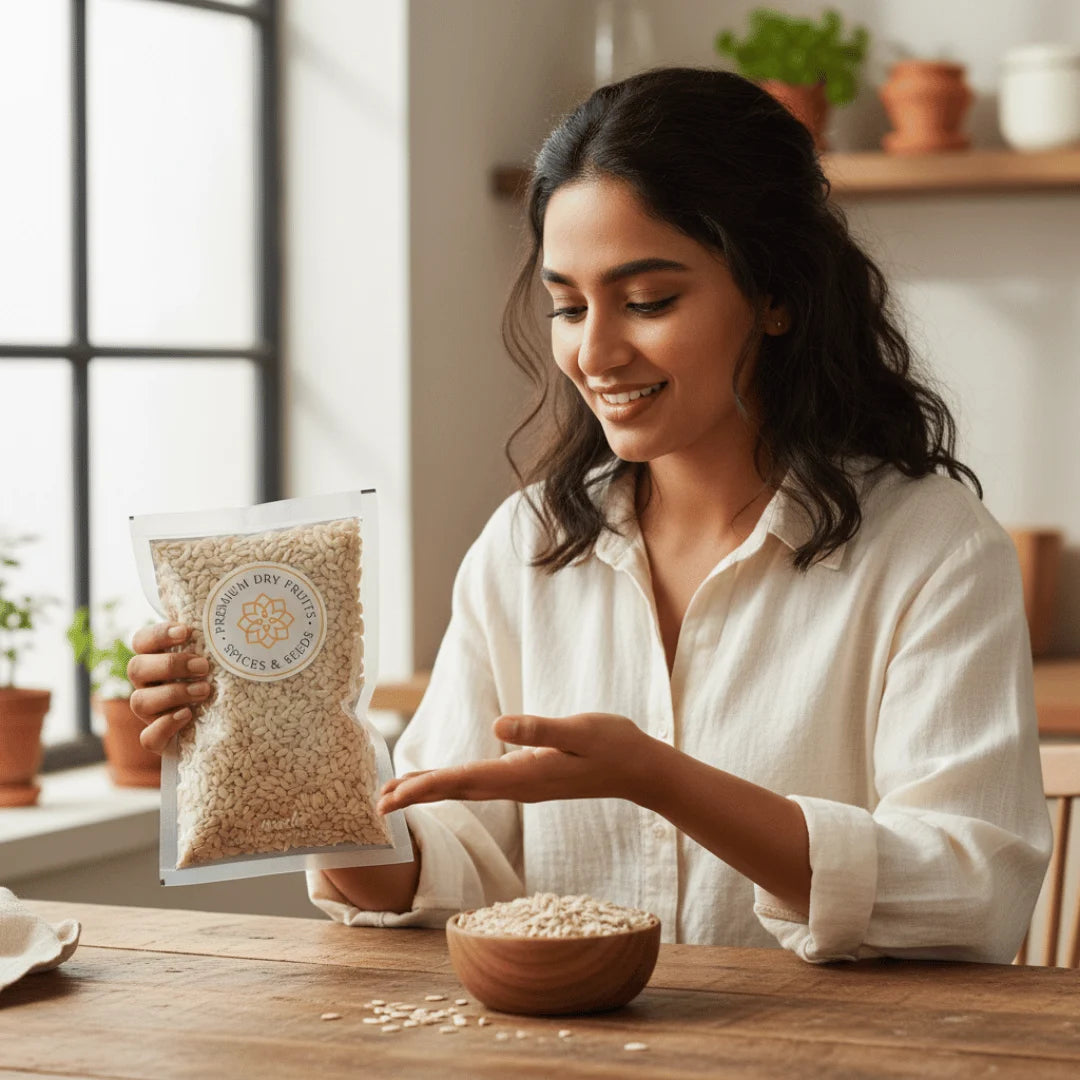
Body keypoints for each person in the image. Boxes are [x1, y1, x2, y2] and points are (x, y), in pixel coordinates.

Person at [129, 68, 1051, 963]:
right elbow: (441, 868)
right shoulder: (528, 545)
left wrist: (662, 781)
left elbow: (973, 895)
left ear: (778, 294)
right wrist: (275, 728)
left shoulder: (934, 547)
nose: (596, 351)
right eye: (567, 306)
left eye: (649, 300)